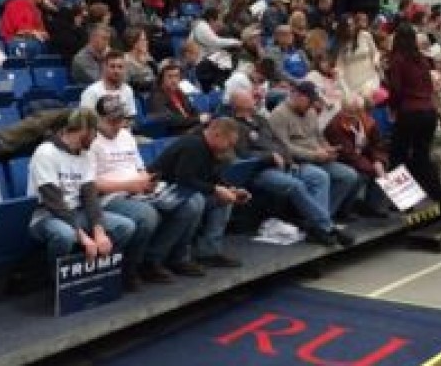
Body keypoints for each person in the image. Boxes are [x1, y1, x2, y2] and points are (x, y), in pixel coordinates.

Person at [89, 96, 205, 287]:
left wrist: (146, 181)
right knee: (148, 216)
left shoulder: (126, 135)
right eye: (112, 121)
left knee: (193, 202)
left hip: (138, 189)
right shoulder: (91, 141)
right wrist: (129, 186)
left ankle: (156, 259)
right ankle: (130, 268)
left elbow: (140, 168)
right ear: (98, 119)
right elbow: (91, 185)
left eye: (121, 120)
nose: (118, 125)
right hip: (111, 197)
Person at [227, 88, 355, 246]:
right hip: (260, 170)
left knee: (319, 176)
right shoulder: (233, 125)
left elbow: (280, 143)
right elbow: (243, 154)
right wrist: (269, 157)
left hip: (286, 164)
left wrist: (288, 160)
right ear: (240, 104)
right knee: (295, 185)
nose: (255, 99)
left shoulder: (259, 120)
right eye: (250, 98)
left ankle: (317, 228)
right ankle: (325, 227)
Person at [28, 108, 136, 267]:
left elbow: (90, 197)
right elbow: (53, 203)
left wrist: (98, 231)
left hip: (77, 212)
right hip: (47, 215)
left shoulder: (84, 153)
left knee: (125, 227)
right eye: (95, 133)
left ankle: (95, 272)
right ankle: (56, 280)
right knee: (65, 235)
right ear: (85, 130)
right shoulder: (45, 153)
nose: (96, 138)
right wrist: (83, 236)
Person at [148, 117, 249, 268]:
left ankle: (209, 252)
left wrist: (229, 189)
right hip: (162, 193)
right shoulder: (193, 145)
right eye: (229, 143)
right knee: (195, 202)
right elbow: (184, 180)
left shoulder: (209, 148)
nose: (230, 148)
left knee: (224, 200)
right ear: (217, 135)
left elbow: (211, 177)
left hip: (181, 193)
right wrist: (216, 189)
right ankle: (168, 258)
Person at [385, 23, 441, 212]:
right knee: (422, 157)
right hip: (428, 112)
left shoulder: (397, 59)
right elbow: (429, 87)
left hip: (409, 112)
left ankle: (405, 204)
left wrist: (393, 108)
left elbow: (396, 90)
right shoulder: (422, 60)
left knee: (397, 156)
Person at [325, 93, 393, 217]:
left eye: (356, 112)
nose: (352, 116)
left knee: (383, 165)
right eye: (348, 112)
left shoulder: (368, 122)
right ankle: (344, 210)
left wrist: (378, 160)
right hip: (343, 160)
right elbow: (347, 154)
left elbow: (377, 144)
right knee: (360, 175)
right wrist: (372, 167)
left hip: (362, 156)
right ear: (342, 109)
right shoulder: (335, 126)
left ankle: (373, 207)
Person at [147, 64, 206, 134]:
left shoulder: (178, 91)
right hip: (175, 132)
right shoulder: (156, 96)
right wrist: (198, 119)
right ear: (161, 78)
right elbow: (171, 121)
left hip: (189, 126)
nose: (174, 80)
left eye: (176, 76)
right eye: (170, 76)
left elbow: (191, 109)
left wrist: (201, 116)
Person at [80, 50, 139, 118]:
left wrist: (122, 126)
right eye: (112, 66)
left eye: (120, 67)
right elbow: (85, 122)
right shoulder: (91, 92)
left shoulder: (128, 89)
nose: (116, 71)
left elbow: (131, 118)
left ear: (124, 69)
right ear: (104, 68)